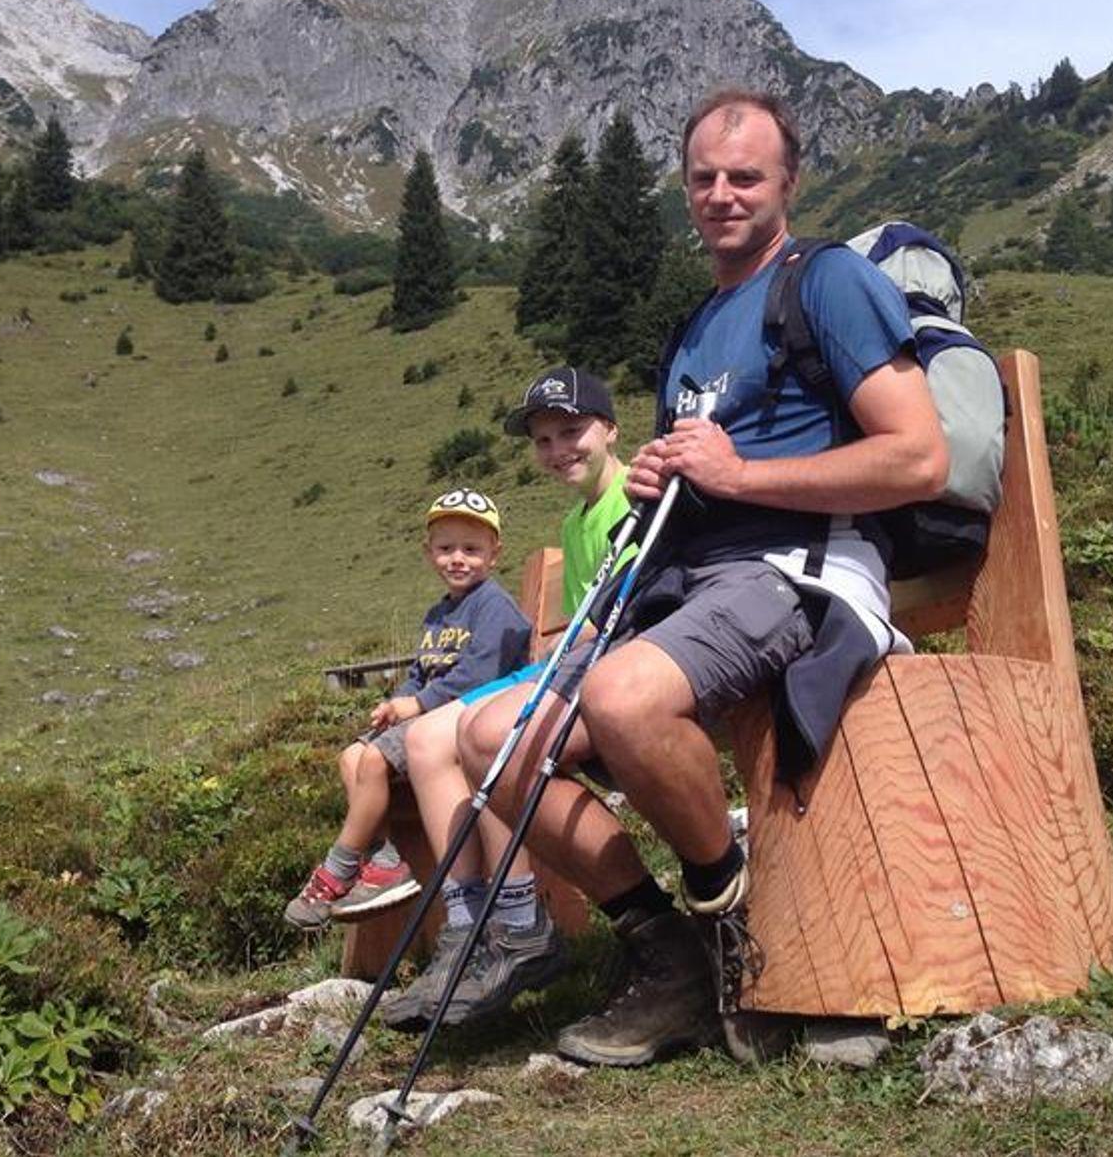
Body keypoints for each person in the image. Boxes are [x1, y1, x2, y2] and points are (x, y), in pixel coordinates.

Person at [457, 87, 948, 1066]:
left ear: (788, 182)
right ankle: (668, 956)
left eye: (745, 177)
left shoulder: (829, 282)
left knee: (624, 697)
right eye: (703, 178)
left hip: (799, 566)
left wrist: (737, 476)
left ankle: (733, 923)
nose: (722, 194)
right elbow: (707, 465)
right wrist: (661, 479)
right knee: (491, 742)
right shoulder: (691, 327)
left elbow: (918, 457)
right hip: (694, 577)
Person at [379, 366, 632, 1029]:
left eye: (571, 432)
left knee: (483, 731)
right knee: (426, 737)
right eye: (543, 439)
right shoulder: (577, 522)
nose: (557, 450)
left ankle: (518, 920)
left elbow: (617, 622)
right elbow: (580, 627)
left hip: (620, 671)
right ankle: (468, 923)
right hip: (575, 664)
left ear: (610, 429)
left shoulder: (635, 498)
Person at [283, 488, 531, 929]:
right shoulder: (437, 615)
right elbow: (421, 672)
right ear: (429, 552)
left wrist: (417, 704)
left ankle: (338, 868)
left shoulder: (495, 606)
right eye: (446, 548)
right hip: (430, 716)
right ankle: (384, 858)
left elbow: (479, 674)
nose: (458, 559)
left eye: (471, 549)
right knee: (352, 756)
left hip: (469, 717)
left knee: (374, 759)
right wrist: (397, 703)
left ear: (494, 554)